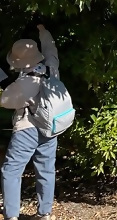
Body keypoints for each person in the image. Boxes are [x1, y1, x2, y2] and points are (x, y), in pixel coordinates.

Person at [0, 24, 60, 220]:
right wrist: (43, 31)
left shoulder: (24, 84)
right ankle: (45, 213)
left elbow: (6, 101)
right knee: (46, 168)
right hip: (51, 126)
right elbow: (51, 48)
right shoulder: (52, 67)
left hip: (28, 127)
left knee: (11, 171)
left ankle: (11, 216)